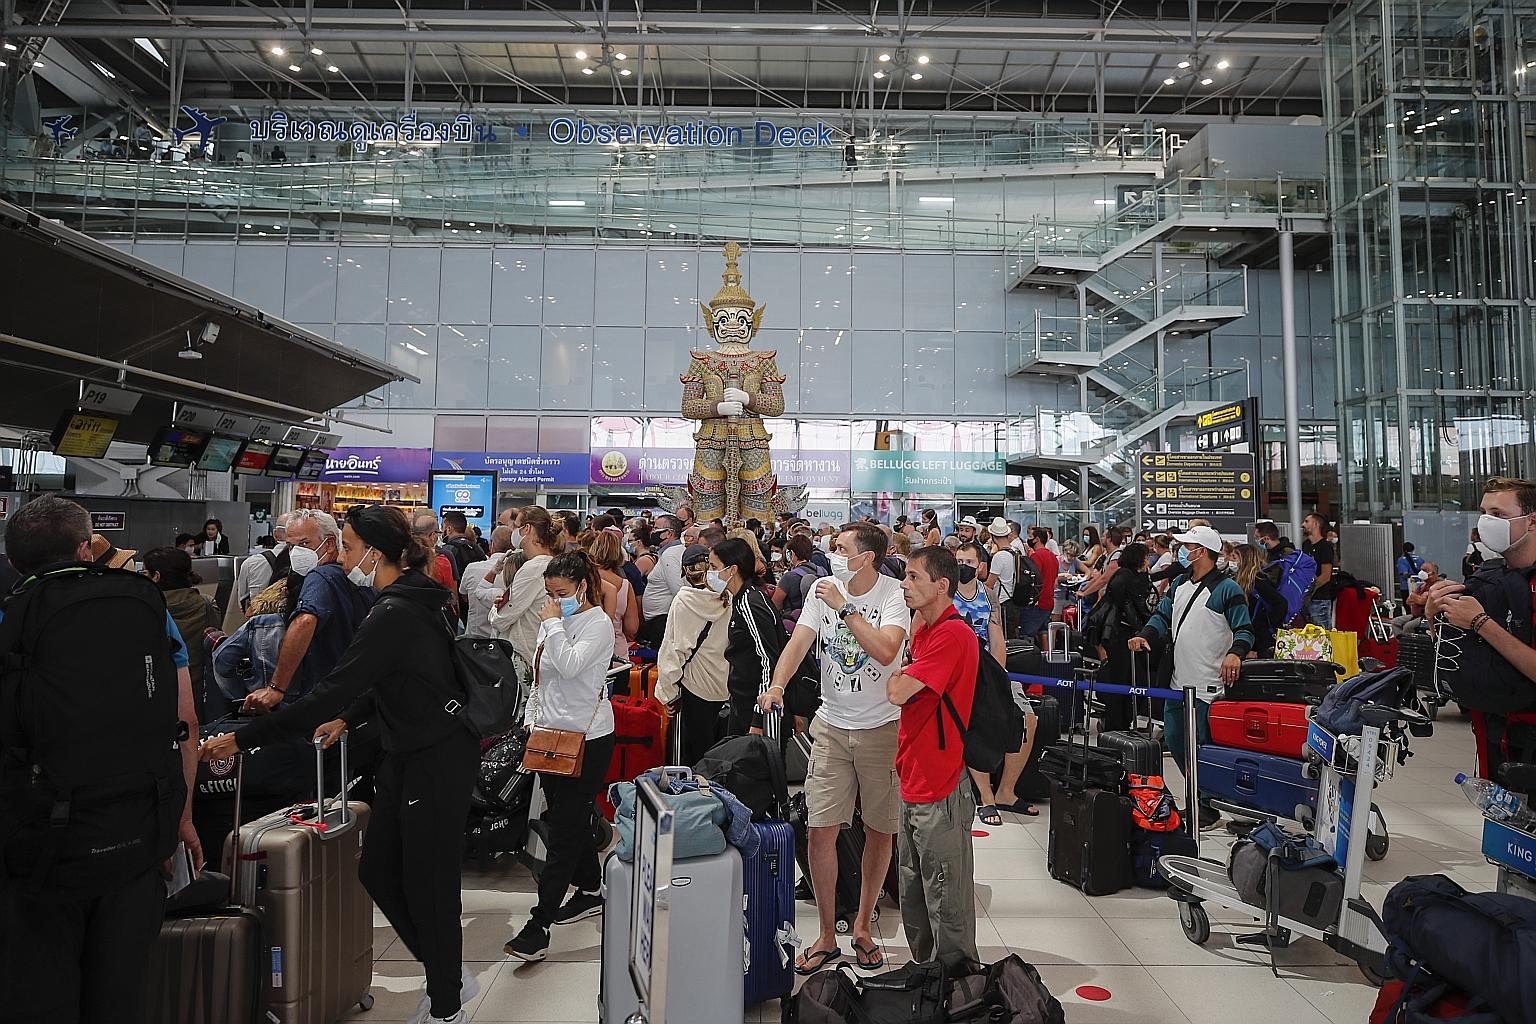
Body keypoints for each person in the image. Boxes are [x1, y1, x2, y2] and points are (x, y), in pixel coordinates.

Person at [199, 504, 480, 1024]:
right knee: (377, 868)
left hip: (436, 757)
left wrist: (244, 742)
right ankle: (448, 968)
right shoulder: (404, 600)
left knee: (429, 882)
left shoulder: (398, 609)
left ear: (376, 552)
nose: (343, 557)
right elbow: (394, 678)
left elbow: (329, 690)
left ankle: (447, 1003)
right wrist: (350, 718)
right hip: (409, 750)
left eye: (349, 548)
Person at [0, 496, 202, 1024]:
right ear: (85, 547)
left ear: (14, 560)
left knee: (37, 999)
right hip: (134, 839)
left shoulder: (8, 613)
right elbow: (184, 723)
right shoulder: (140, 605)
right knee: (119, 997)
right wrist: (177, 820)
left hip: (35, 849)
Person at [759, 522, 911, 974]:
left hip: (883, 727)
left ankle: (863, 925)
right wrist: (778, 684)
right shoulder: (821, 589)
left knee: (880, 830)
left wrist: (845, 609)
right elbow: (798, 640)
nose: (833, 552)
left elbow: (886, 652)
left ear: (867, 557)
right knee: (820, 829)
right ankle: (827, 934)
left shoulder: (893, 596)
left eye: (842, 547)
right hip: (831, 725)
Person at [503, 552, 618, 962]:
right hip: (549, 734)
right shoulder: (553, 620)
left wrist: (552, 621)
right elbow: (541, 676)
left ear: (583, 586)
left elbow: (569, 666)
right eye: (549, 593)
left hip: (587, 738)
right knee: (569, 816)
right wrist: (531, 722)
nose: (553, 599)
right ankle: (590, 888)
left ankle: (540, 924)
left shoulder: (598, 624)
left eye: (561, 592)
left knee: (565, 828)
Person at [885, 545, 980, 968]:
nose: (904, 585)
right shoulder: (924, 629)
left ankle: (958, 986)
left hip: (940, 786)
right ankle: (927, 977)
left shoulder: (951, 635)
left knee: (946, 897)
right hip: (913, 777)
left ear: (942, 586)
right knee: (913, 892)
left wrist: (899, 674)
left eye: (913, 578)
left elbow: (896, 691)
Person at [1129, 525, 1255, 830]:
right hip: (1178, 682)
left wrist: (1235, 652)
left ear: (1202, 551)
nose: (1182, 551)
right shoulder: (1180, 584)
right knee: (1175, 739)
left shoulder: (1227, 589)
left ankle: (1209, 805)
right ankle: (1203, 799)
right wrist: (1145, 634)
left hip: (1208, 685)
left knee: (1203, 746)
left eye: (1188, 546)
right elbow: (1162, 615)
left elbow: (1245, 629)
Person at [1426, 478, 1536, 779]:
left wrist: (1480, 622)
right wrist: (1435, 616)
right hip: (1495, 731)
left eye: (1498, 514)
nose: (1487, 522)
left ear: (1531, 520)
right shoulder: (1488, 577)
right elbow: (1456, 654)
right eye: (1484, 512)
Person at [242, 509, 373, 713]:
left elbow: (305, 621)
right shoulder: (356, 579)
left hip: (320, 695)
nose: (295, 553)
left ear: (330, 544)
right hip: (353, 695)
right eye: (291, 546)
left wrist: (276, 687)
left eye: (304, 544)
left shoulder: (320, 577)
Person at [953, 542, 1037, 822]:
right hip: (956, 673)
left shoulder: (989, 596)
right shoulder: (944, 593)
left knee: (1026, 717)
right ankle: (985, 796)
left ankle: (1006, 791)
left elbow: (997, 638)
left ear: (981, 566)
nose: (962, 565)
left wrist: (997, 677)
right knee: (977, 720)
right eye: (958, 560)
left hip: (988, 669)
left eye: (968, 560)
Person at [655, 544, 733, 763]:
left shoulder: (683, 601)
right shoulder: (727, 597)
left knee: (695, 755)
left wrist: (667, 693)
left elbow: (674, 651)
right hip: (725, 685)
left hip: (695, 686)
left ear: (685, 572)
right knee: (720, 753)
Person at [711, 537, 789, 734]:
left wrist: (758, 718)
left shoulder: (750, 603)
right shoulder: (743, 598)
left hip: (756, 706)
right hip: (743, 700)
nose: (710, 573)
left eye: (714, 566)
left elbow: (768, 660)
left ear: (732, 569)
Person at [143, 545, 222, 720]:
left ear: (156, 577)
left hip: (155, 699)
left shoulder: (145, 609)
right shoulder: (206, 605)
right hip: (197, 698)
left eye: (145, 573)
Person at [1092, 541, 1156, 731]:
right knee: (1123, 680)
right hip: (1123, 635)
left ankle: (1119, 723)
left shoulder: (1122, 576)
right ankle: (1118, 724)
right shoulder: (1131, 578)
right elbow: (1138, 604)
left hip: (1119, 635)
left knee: (1123, 680)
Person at [486, 507, 559, 667]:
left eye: (515, 526)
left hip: (524, 655)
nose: (512, 532)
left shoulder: (532, 569)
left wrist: (494, 610)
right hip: (541, 652)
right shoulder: (554, 563)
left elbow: (502, 619)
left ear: (527, 528)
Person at [228, 512, 291, 631]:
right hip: (293, 627)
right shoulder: (310, 563)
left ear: (275, 535)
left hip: (259, 628)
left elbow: (243, 604)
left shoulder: (251, 562)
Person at [588, 530, 639, 660]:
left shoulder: (586, 580)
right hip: (618, 654)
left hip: (589, 652)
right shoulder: (625, 585)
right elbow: (632, 628)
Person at [1233, 542, 1289, 658]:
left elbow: (1280, 603)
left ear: (1244, 559)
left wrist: (1270, 623)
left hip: (1262, 638)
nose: (1230, 560)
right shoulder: (1242, 581)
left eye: (1234, 557)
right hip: (1253, 634)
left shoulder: (1258, 580)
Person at [459, 525, 515, 639]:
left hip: (474, 638)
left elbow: (465, 596)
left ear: (492, 545)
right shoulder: (519, 571)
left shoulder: (472, 568)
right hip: (504, 641)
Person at [638, 514, 685, 646]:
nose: (652, 532)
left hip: (662, 622)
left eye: (656, 528)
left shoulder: (670, 555)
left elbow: (678, 590)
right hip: (660, 620)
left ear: (668, 534)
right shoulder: (669, 553)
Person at [412, 512, 461, 627]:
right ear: (433, 535)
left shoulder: (403, 556)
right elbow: (452, 591)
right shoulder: (444, 558)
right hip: (437, 617)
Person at [775, 534, 826, 629]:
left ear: (792, 554)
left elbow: (775, 604)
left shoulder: (789, 576)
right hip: (820, 623)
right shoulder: (822, 571)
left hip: (795, 623)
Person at [1019, 527, 1059, 641]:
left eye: (1030, 537)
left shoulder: (1036, 557)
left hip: (1037, 602)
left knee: (1027, 635)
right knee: (1043, 632)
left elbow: (1033, 580)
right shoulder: (1053, 557)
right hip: (1049, 601)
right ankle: (1046, 656)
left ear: (1037, 539)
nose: (1028, 539)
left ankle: (1030, 657)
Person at [1302, 513, 1337, 628]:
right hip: (1307, 599)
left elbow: (1326, 575)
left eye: (1307, 521)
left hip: (1319, 598)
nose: (1303, 524)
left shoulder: (1325, 547)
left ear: (1316, 524)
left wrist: (1310, 590)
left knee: (1321, 635)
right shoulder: (1306, 545)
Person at [438, 511, 483, 586]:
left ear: (449, 529)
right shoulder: (477, 548)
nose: (441, 531)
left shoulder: (447, 550)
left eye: (442, 527)